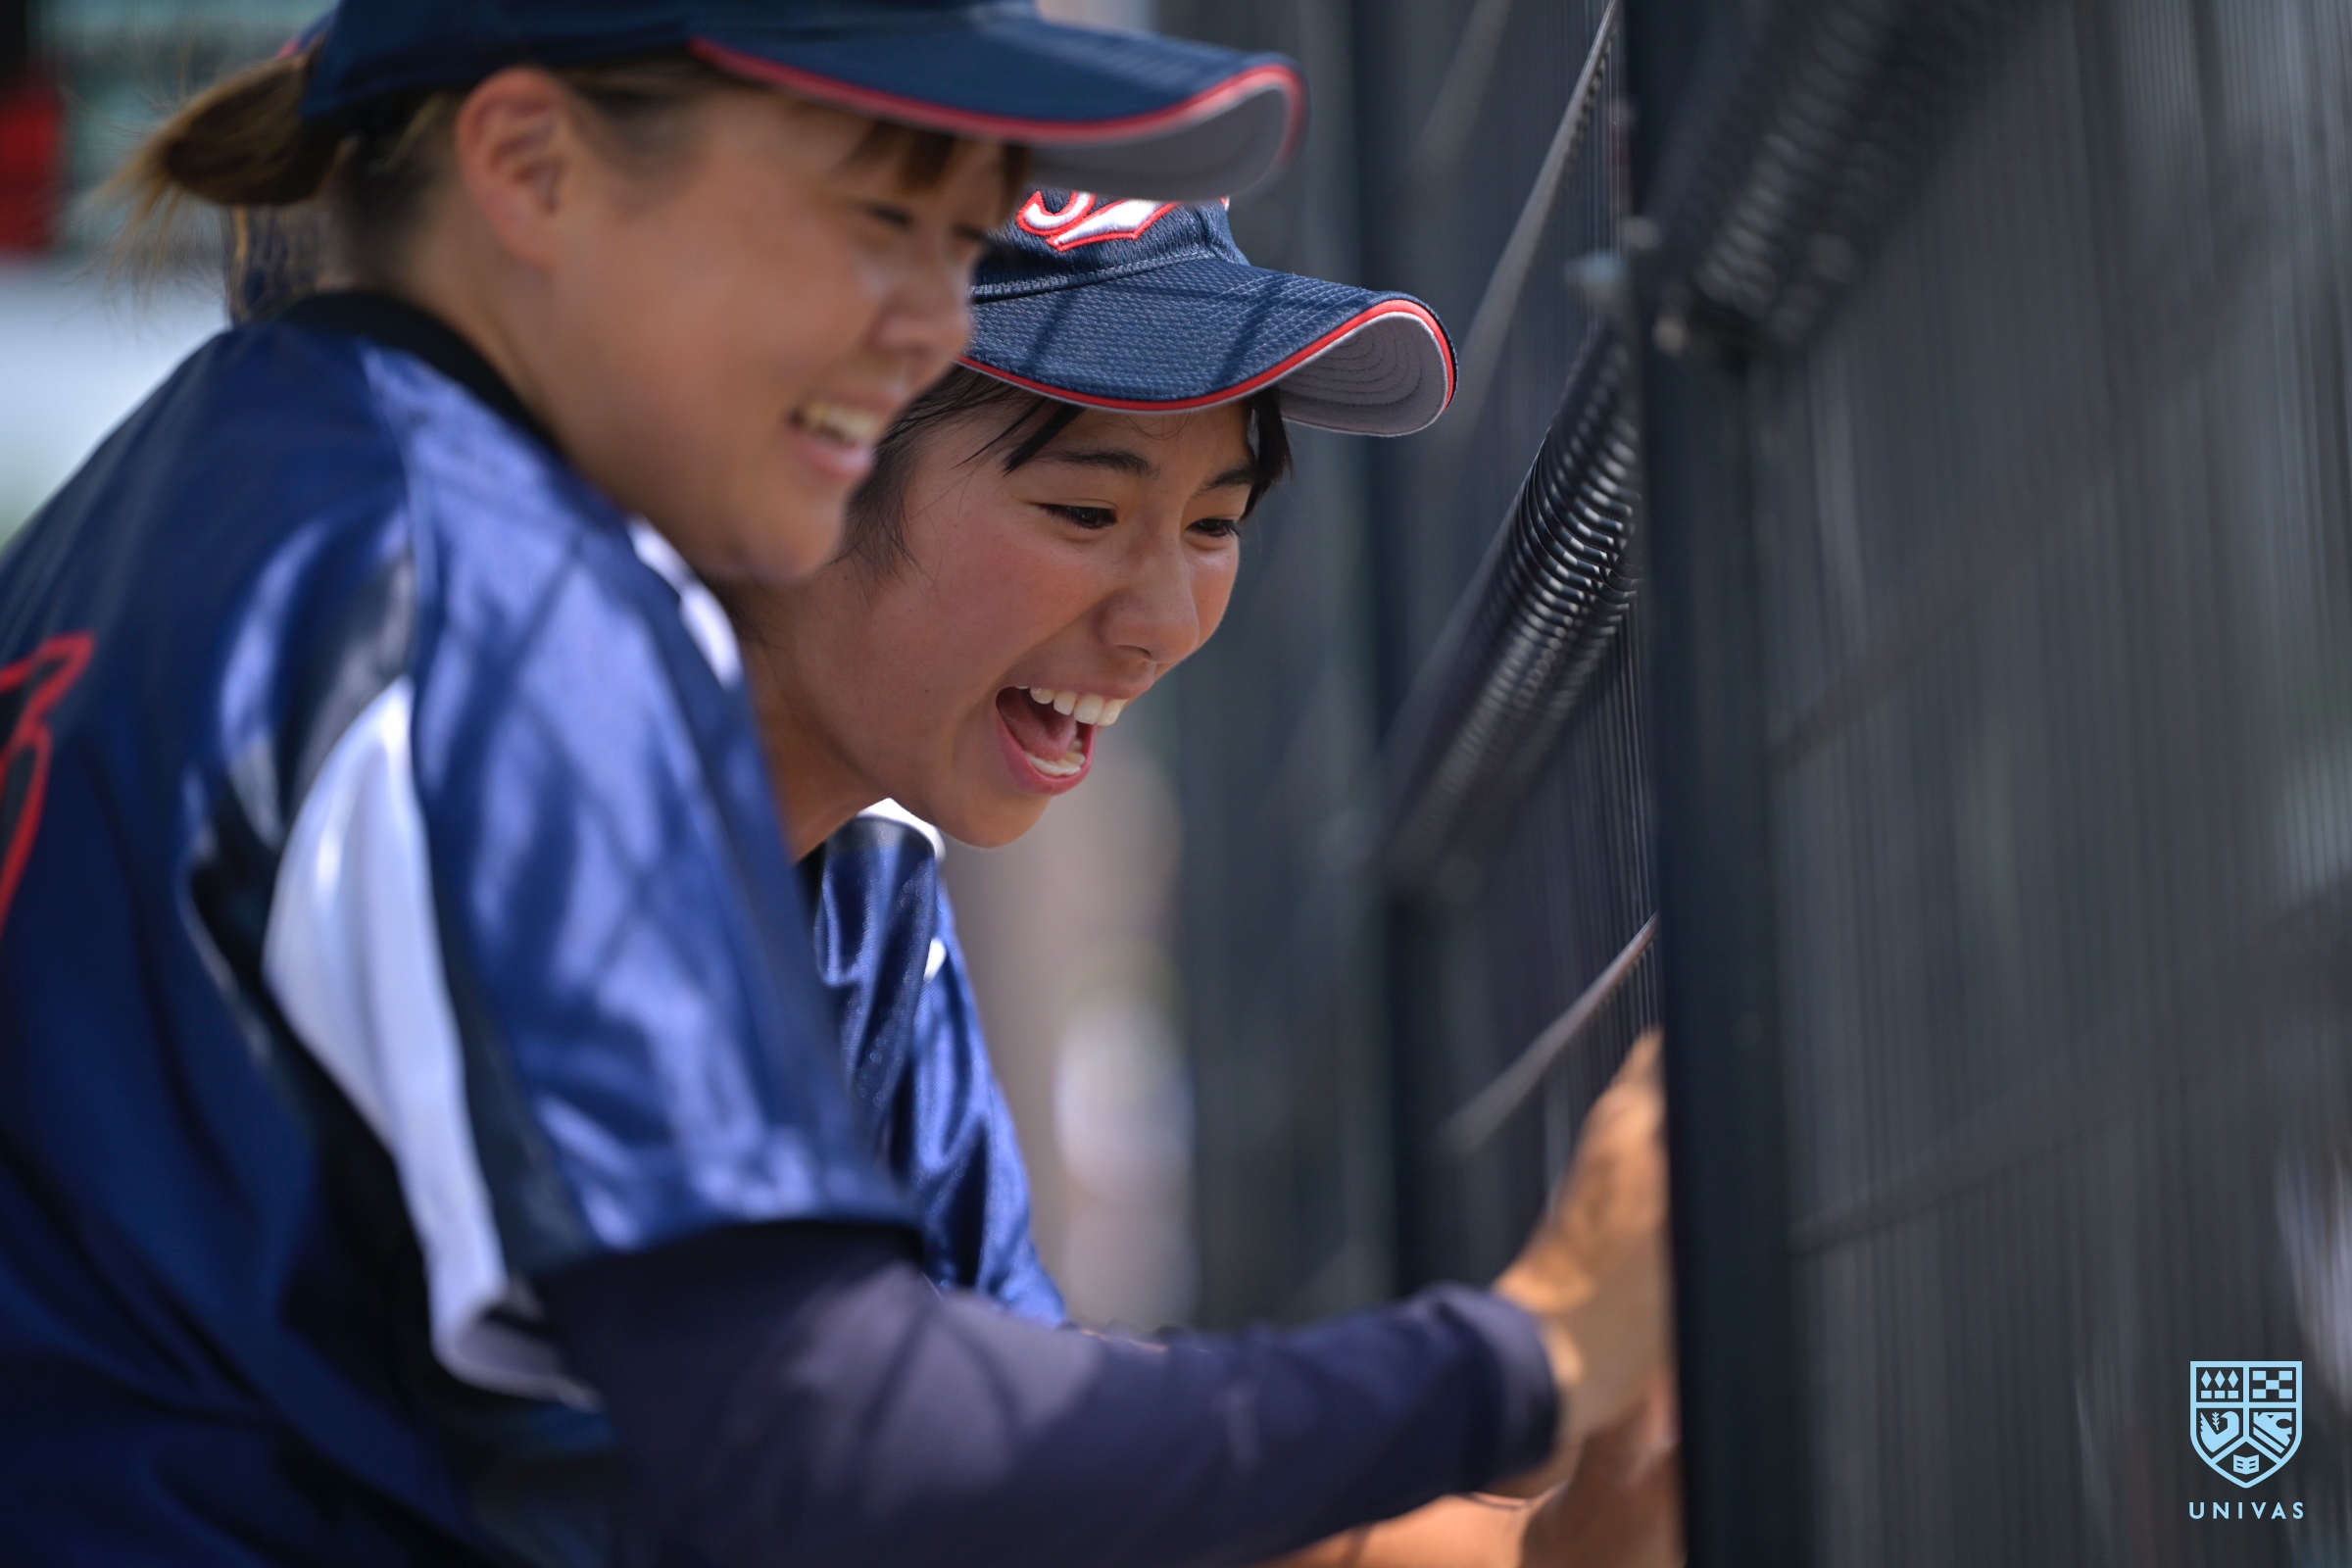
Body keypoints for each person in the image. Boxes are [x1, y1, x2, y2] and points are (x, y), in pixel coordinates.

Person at [0, 4, 1666, 1564]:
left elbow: (969, 1466)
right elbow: (823, 1440)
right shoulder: (474, 590)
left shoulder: (274, 493)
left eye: (962, 236)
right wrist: (1522, 1354)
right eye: (882, 220)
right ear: (529, 169)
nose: (933, 320)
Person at [733, 192, 1681, 1565]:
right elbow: (874, 1459)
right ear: (808, 453)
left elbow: (1035, 1479)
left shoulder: (867, 895)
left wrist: (1554, 1544)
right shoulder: (544, 836)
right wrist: (1525, 1352)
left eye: (1215, 522)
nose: (1165, 621)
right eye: (1084, 508)